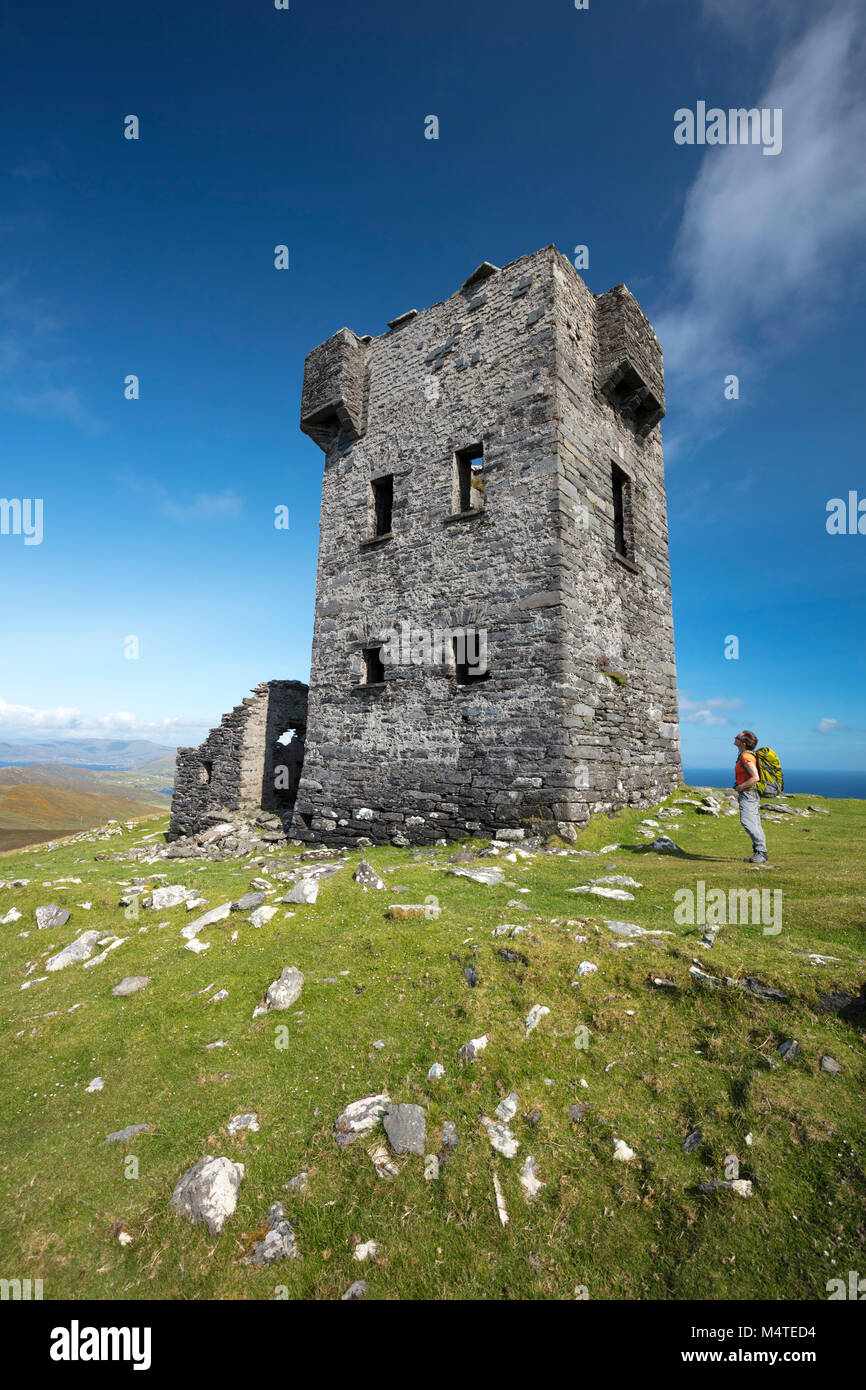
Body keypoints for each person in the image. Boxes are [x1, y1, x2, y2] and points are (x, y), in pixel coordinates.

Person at [733, 730, 768, 864]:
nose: (734, 738)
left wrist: (741, 787)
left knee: (747, 822)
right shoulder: (745, 755)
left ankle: (761, 852)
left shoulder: (746, 757)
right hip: (750, 793)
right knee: (754, 822)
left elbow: (755, 778)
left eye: (737, 737)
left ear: (744, 743)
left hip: (749, 794)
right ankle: (759, 852)